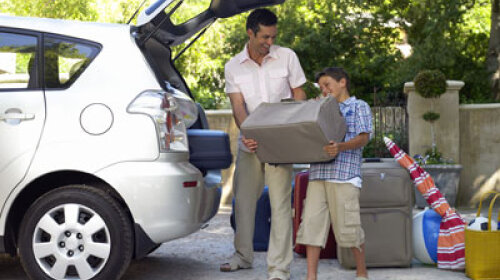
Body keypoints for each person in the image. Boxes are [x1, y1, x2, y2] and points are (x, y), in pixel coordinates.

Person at [220, 8, 307, 280]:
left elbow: (299, 93)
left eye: (273, 37)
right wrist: (247, 133)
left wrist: (296, 125)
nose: (270, 43)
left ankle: (279, 268)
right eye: (265, 37)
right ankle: (243, 256)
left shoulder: (287, 57)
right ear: (250, 32)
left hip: (280, 141)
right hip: (250, 140)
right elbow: (238, 105)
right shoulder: (233, 66)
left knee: (280, 204)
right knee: (244, 200)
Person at [296, 67, 372, 280]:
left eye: (327, 85)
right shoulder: (319, 107)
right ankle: (311, 277)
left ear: (342, 82)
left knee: (350, 227)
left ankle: (361, 273)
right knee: (311, 225)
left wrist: (340, 146)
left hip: (345, 176)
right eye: (321, 87)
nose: (324, 90)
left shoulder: (359, 106)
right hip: (318, 175)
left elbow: (364, 138)